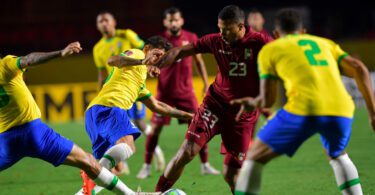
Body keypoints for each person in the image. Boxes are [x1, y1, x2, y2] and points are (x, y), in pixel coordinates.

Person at [232, 8, 375, 195]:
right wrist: (372, 113)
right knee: (337, 153)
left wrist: (253, 103)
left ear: (276, 33)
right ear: (303, 31)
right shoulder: (325, 43)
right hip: (341, 109)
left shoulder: (270, 49)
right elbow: (359, 68)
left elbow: (268, 100)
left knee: (254, 157)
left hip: (303, 109)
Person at [151, 5, 273, 193]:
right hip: (214, 105)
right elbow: (181, 51)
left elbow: (281, 57)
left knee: (230, 175)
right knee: (187, 152)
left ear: (241, 26)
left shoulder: (260, 42)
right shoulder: (215, 41)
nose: (222, 33)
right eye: (220, 28)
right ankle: (158, 193)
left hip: (242, 116)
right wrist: (159, 64)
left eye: (227, 30)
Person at [0, 42, 135, 194]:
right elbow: (29, 59)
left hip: (6, 140)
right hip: (35, 132)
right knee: (88, 162)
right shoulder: (5, 64)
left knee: (88, 163)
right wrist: (60, 53)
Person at [78, 36, 194, 195]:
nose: (158, 60)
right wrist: (142, 60)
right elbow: (113, 60)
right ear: (147, 48)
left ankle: (86, 190)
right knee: (127, 145)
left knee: (109, 172)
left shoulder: (139, 82)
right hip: (110, 106)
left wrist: (189, 115)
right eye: (158, 54)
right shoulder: (137, 54)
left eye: (162, 59)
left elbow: (158, 106)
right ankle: (95, 176)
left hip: (94, 113)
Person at [136, 7, 219, 179]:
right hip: (164, 92)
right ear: (165, 22)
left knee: (199, 125)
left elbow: (199, 61)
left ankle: (205, 165)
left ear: (181, 21)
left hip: (187, 92)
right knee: (155, 129)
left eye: (176, 19)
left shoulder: (191, 37)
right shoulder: (160, 41)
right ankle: (146, 166)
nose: (173, 23)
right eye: (170, 20)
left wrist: (204, 83)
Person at [93, 11, 165, 174]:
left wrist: (149, 67)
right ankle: (121, 165)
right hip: (115, 91)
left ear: (114, 22)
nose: (104, 23)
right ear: (97, 26)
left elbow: (146, 53)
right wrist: (100, 91)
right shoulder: (97, 48)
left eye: (106, 20)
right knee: (115, 128)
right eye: (100, 21)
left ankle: (157, 152)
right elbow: (101, 73)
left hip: (134, 85)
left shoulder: (127, 35)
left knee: (139, 123)